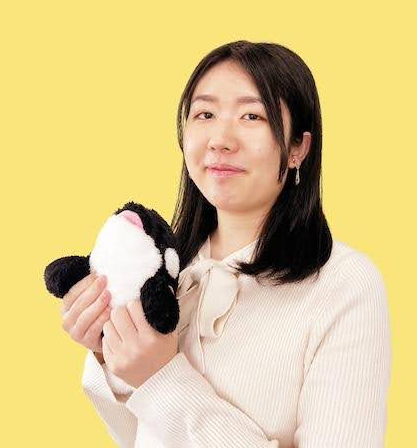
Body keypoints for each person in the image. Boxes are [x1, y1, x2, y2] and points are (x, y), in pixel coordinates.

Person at [59, 40, 392, 447]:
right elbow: (139, 438)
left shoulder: (344, 285)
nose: (220, 139)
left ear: (297, 148)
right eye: (205, 114)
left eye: (252, 115)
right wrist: (110, 352)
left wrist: (160, 379)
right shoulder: (168, 272)